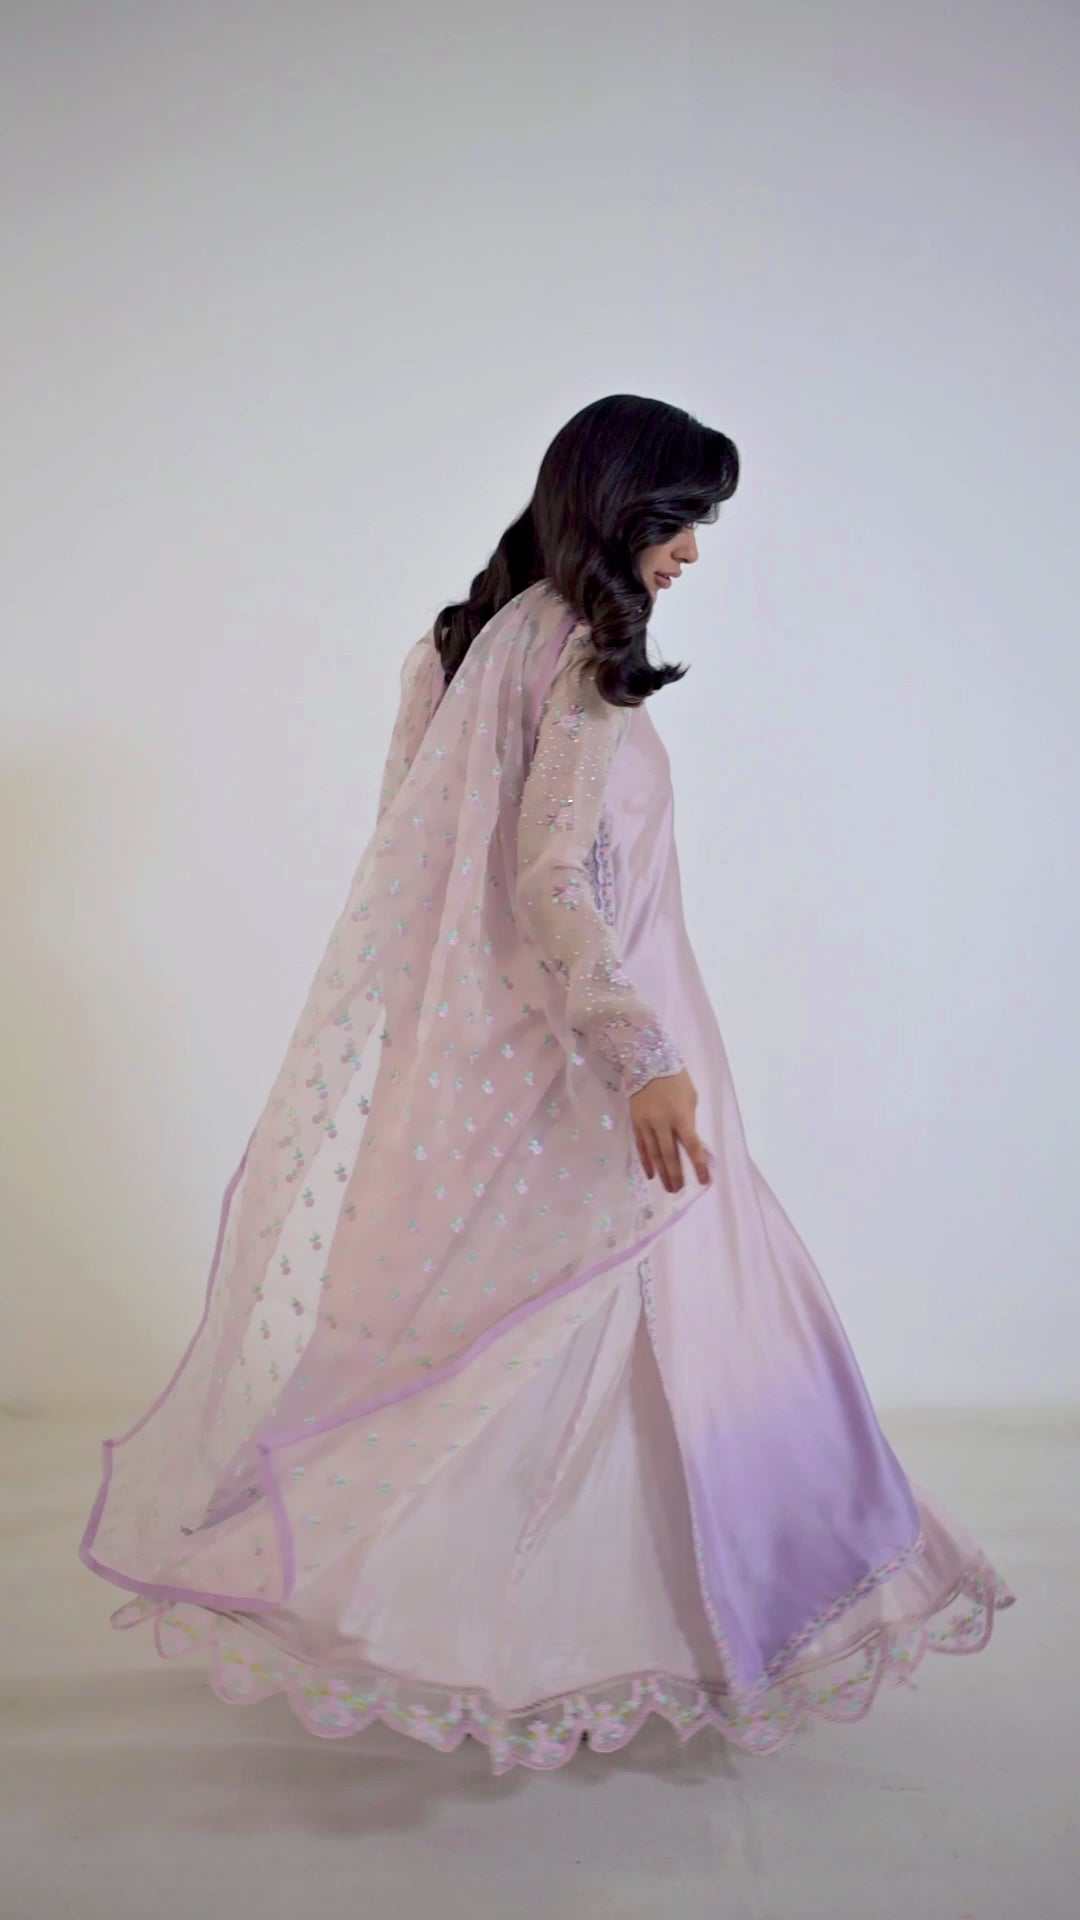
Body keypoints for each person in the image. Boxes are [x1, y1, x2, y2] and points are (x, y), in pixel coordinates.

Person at [79, 394, 1014, 1774]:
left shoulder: (456, 646)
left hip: (503, 1050)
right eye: (683, 520)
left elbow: (415, 874)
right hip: (606, 1048)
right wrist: (641, 1056)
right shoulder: (577, 655)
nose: (693, 552)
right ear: (623, 505)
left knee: (545, 1328)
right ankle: (597, 1629)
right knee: (651, 1312)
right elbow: (547, 878)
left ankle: (494, 1621)